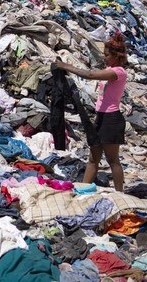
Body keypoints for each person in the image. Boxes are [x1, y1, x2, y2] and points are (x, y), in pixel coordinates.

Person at [55, 33, 128, 191]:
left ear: (116, 56)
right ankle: (82, 189)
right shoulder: (110, 69)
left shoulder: (119, 72)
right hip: (101, 118)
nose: (104, 58)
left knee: (112, 160)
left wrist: (66, 66)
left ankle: (121, 193)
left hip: (112, 119)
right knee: (93, 158)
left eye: (107, 55)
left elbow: (90, 75)